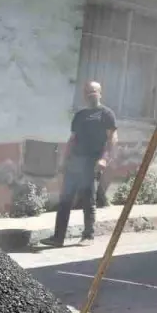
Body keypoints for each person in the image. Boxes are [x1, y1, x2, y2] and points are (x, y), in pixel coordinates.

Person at [42, 81, 117, 247]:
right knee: (65, 200)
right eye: (88, 92)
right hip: (74, 162)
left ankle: (88, 235)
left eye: (94, 91)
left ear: (100, 93)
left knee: (88, 199)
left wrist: (105, 158)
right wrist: (64, 160)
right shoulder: (80, 115)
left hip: (92, 162)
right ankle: (58, 238)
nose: (91, 95)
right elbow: (72, 139)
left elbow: (112, 138)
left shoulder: (106, 114)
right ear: (84, 95)